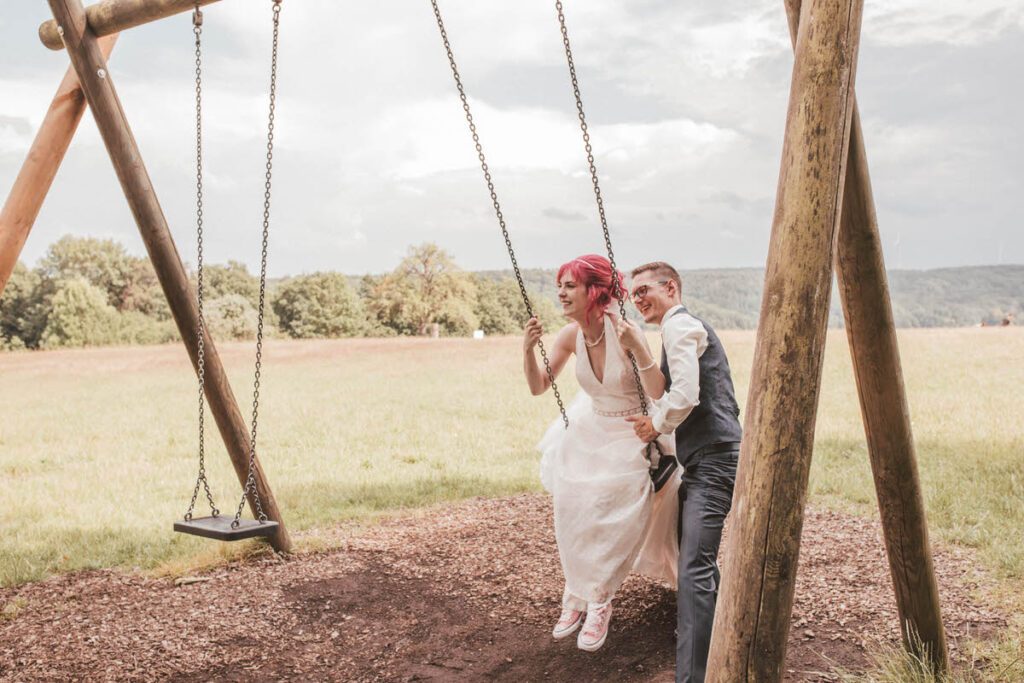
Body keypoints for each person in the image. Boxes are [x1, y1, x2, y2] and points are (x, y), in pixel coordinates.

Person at [524, 254, 681, 653]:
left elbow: (658, 390)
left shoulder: (623, 331)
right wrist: (529, 349)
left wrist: (638, 348)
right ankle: (575, 596)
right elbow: (539, 385)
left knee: (612, 505)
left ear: (594, 291)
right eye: (559, 284)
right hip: (591, 428)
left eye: (570, 285)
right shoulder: (567, 335)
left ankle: (600, 600)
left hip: (634, 430)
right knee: (573, 504)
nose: (560, 292)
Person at [617, 261, 742, 683]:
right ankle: (732, 643)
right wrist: (638, 349)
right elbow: (664, 390)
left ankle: (694, 676)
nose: (637, 299)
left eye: (644, 290)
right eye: (633, 294)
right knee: (695, 561)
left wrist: (656, 424)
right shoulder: (672, 332)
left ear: (671, 287)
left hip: (715, 457)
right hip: (703, 459)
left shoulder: (680, 326)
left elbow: (685, 395)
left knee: (693, 569)